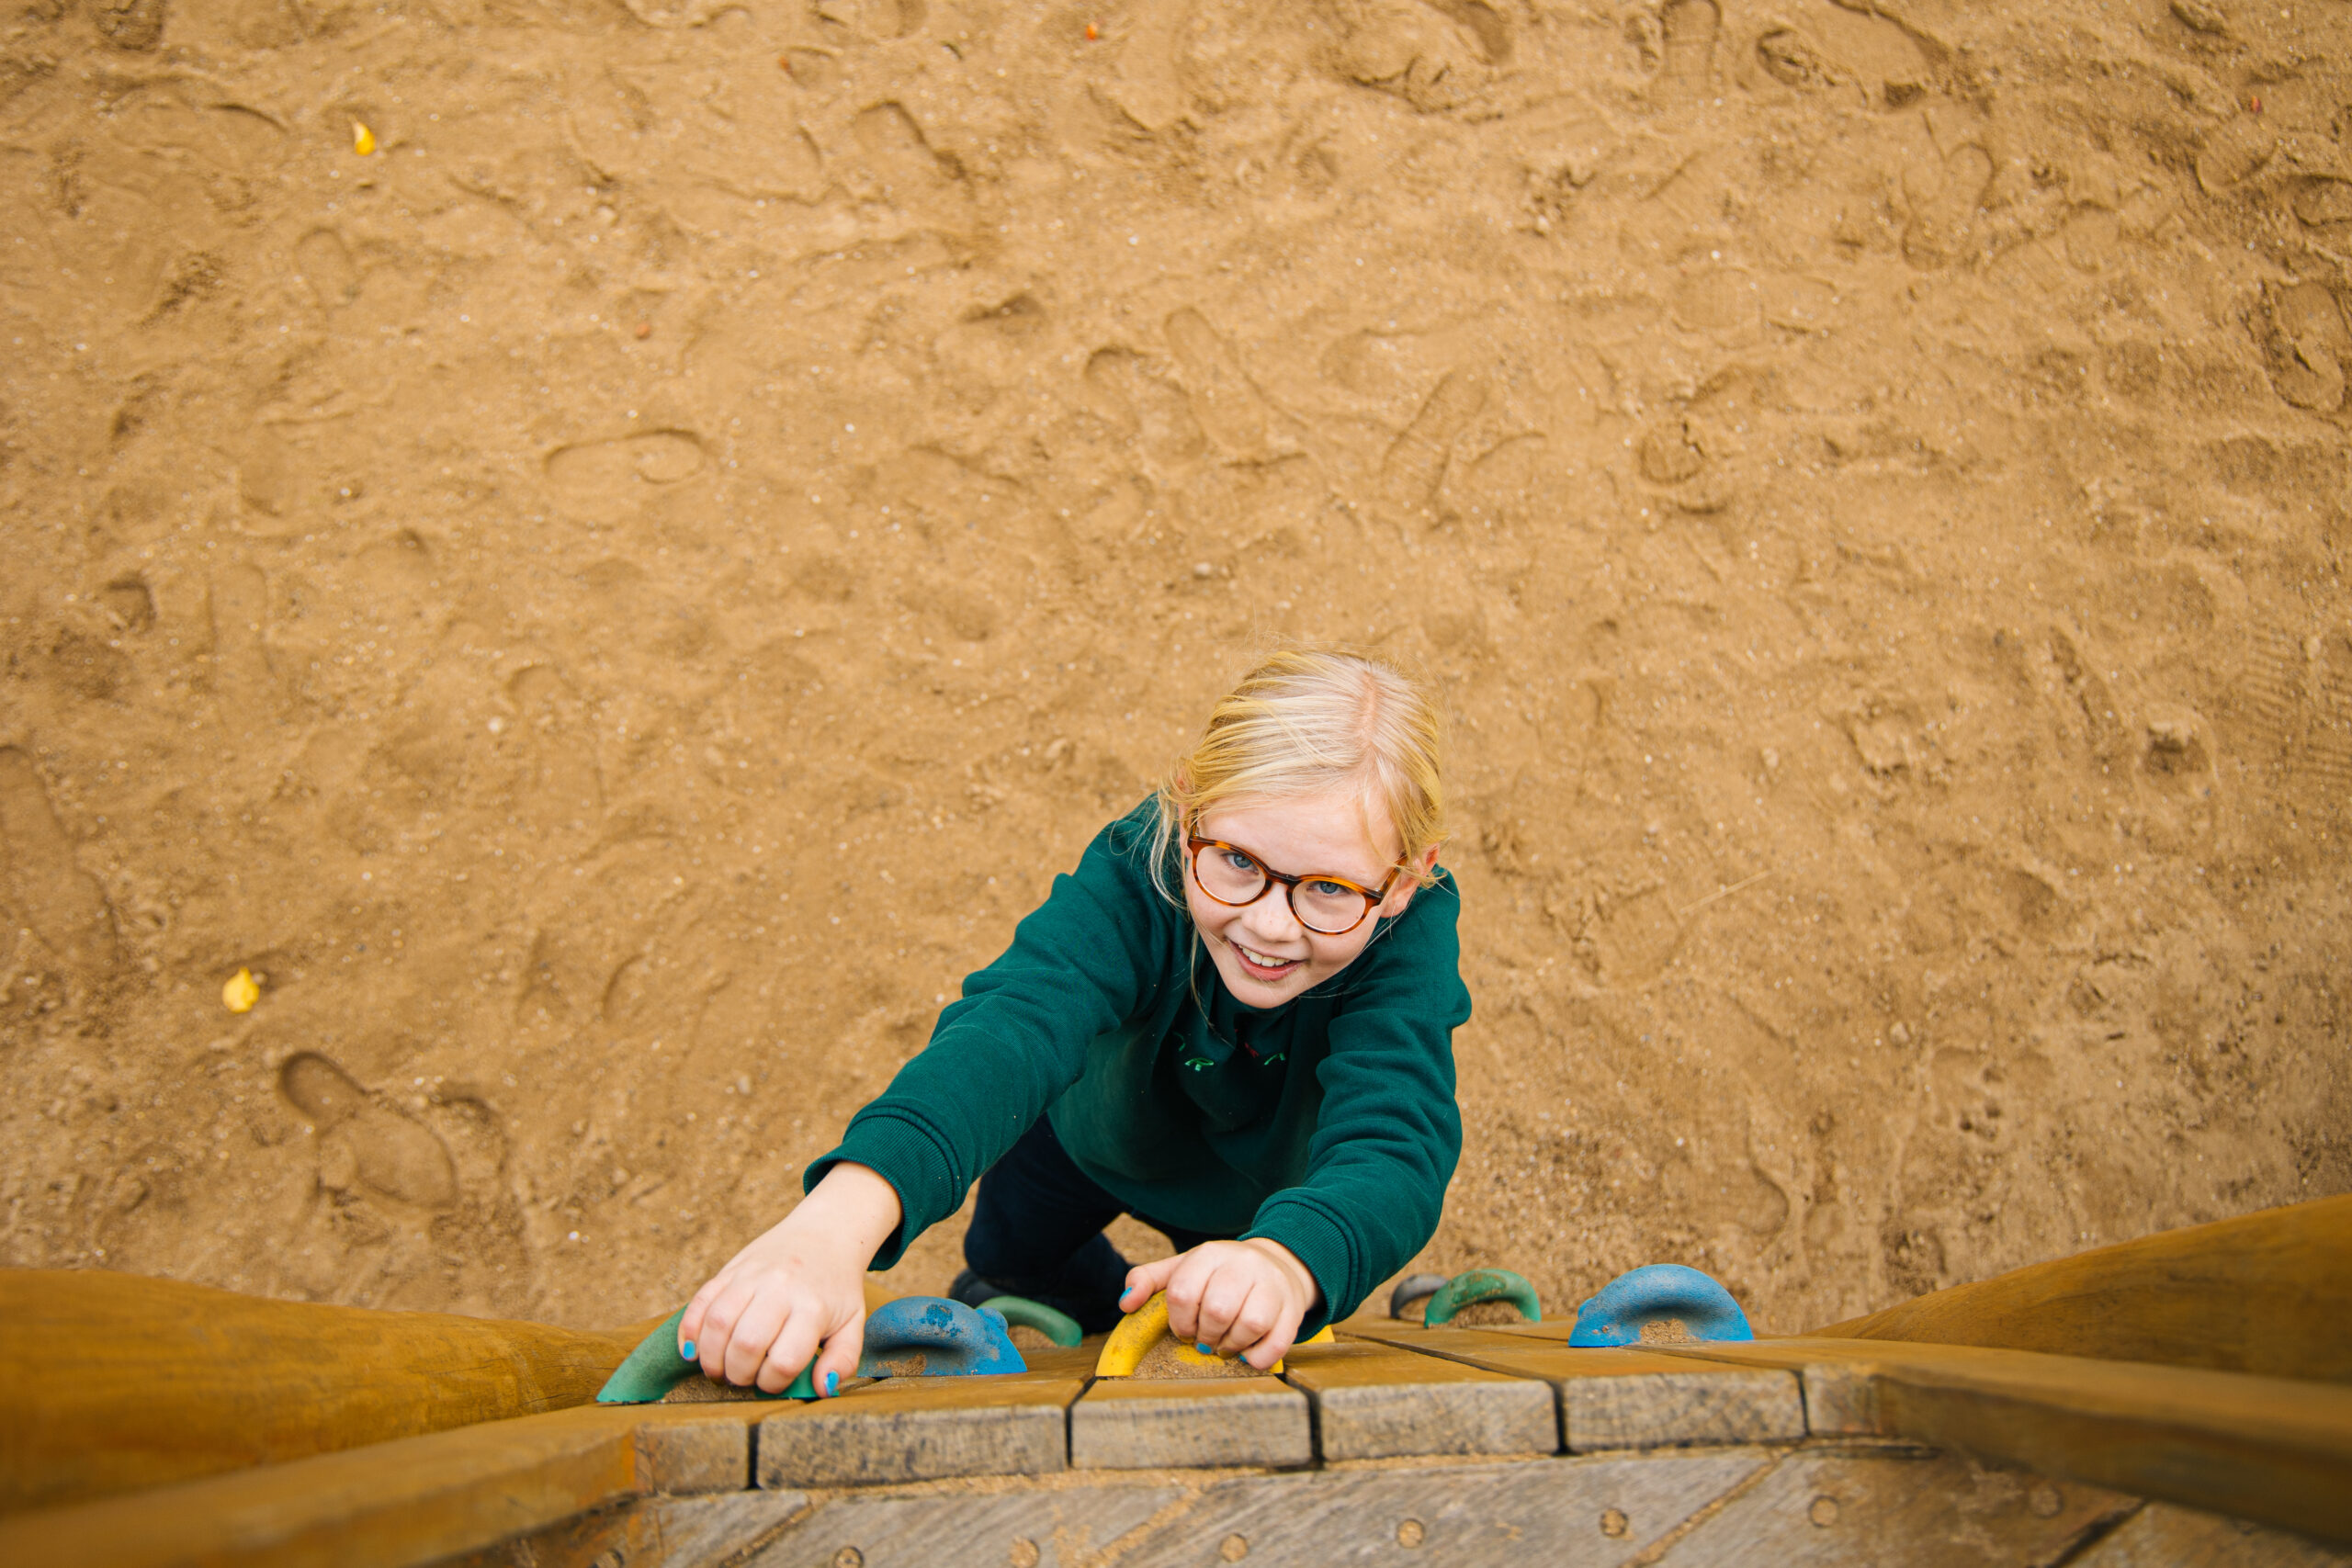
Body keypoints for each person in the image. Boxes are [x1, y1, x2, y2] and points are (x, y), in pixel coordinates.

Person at [677, 648, 1472, 1396]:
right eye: (1236, 861)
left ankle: (1241, 1266)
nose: (1268, 924)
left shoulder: (1408, 934)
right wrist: (830, 1227)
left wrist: (1287, 1257)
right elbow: (1014, 1023)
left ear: (1405, 880)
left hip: (1264, 1190)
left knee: (1243, 1309)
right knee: (1003, 1260)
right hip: (1093, 1133)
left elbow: (1395, 1136)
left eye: (1329, 889)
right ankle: (1096, 1309)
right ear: (1189, 805)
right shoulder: (1143, 865)